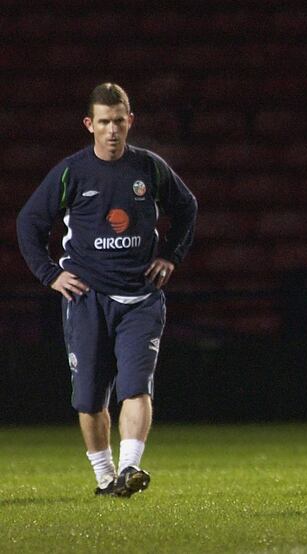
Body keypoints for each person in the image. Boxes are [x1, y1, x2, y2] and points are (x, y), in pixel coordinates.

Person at [17, 83, 198, 498]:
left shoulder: (149, 169)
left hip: (140, 296)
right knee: (89, 397)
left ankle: (130, 469)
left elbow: (187, 208)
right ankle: (105, 477)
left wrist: (170, 255)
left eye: (119, 121)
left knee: (136, 386)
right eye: (104, 122)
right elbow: (29, 223)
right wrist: (49, 274)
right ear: (89, 125)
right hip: (86, 297)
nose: (112, 130)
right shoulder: (71, 173)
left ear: (130, 121)